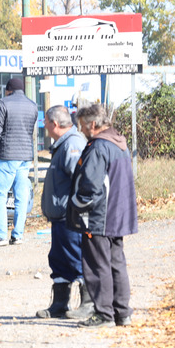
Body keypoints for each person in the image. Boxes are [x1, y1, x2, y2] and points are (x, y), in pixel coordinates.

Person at [67, 103, 138, 328]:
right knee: (116, 263)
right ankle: (122, 313)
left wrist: (77, 205)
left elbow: (90, 185)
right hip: (118, 213)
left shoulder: (98, 147)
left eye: (82, 126)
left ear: (93, 125)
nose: (81, 131)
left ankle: (104, 315)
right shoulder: (119, 143)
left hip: (97, 216)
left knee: (98, 265)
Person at [36, 105, 92, 319]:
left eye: (46, 123)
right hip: (60, 217)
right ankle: (60, 304)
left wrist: (77, 211)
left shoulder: (72, 144)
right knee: (60, 260)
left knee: (76, 259)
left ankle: (88, 304)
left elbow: (81, 180)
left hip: (71, 217)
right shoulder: (63, 145)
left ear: (55, 124)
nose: (45, 127)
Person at [0, 77, 38, 247]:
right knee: (21, 196)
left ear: (9, 90)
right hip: (25, 156)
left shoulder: (3, 103)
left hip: (7, 155)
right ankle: (18, 235)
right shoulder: (33, 106)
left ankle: (0, 235)